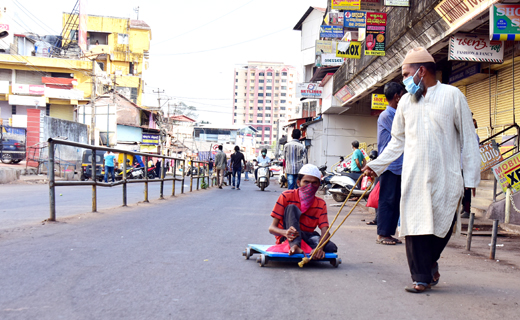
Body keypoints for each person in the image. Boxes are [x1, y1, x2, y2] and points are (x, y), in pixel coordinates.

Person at [363, 47, 480, 293]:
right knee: (415, 226)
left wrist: (470, 177)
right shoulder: (405, 101)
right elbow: (397, 141)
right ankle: (421, 278)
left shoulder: (453, 95)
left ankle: (429, 264)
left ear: (422, 71)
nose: (404, 79)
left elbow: (469, 138)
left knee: (443, 225)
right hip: (414, 175)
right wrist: (375, 166)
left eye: (406, 73)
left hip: (446, 175)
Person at [268, 164, 337, 257]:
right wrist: (285, 232)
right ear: (298, 183)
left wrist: (319, 248)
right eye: (306, 182)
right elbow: (272, 228)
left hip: (306, 235)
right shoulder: (286, 196)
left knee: (330, 247)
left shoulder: (320, 203)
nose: (310, 186)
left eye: (314, 183)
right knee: (291, 208)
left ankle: (302, 246)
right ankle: (295, 245)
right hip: (288, 237)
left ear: (319, 184)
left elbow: (325, 231)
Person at [374, 82, 405, 244]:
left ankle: (388, 233)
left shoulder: (396, 114)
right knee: (387, 199)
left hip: (400, 165)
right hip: (390, 165)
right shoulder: (387, 116)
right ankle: (382, 233)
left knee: (395, 200)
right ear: (397, 97)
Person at [461, 118, 480, 219]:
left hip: (469, 165)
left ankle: (467, 209)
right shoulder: (464, 135)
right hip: (462, 164)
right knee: (462, 188)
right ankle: (464, 206)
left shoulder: (473, 136)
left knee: (467, 188)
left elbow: (474, 151)